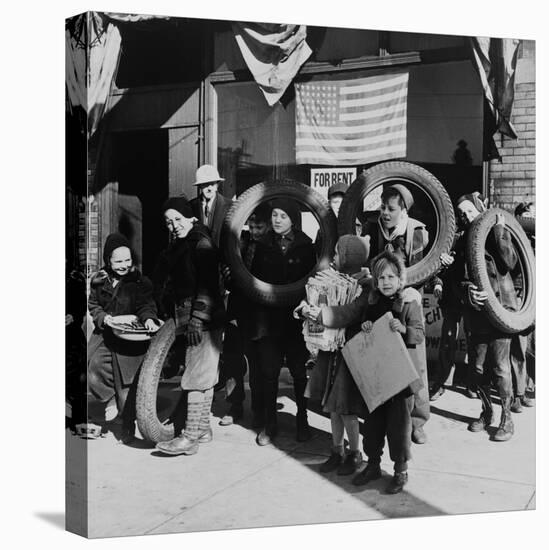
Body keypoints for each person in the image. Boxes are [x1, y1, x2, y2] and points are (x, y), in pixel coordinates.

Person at [153, 197, 226, 456]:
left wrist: (198, 317)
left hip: (203, 320)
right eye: (168, 221)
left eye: (178, 219)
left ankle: (189, 437)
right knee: (203, 375)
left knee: (196, 376)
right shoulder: (182, 245)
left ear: (191, 218)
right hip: (191, 318)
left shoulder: (200, 243)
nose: (174, 225)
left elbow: (208, 284)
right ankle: (203, 428)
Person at [296, 235, 370, 476]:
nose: (334, 258)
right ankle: (336, 450)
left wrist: (320, 315)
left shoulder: (364, 288)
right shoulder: (332, 281)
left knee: (347, 409)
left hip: (348, 355)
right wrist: (305, 309)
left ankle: (355, 453)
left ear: (350, 257)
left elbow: (348, 313)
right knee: (332, 407)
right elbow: (316, 298)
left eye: (338, 253)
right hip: (330, 353)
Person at [363, 184, 430, 445]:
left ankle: (418, 421)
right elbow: (366, 262)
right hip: (379, 297)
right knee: (382, 358)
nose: (386, 213)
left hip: (407, 299)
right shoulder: (372, 228)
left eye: (391, 209)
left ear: (403, 210)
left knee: (415, 362)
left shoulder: (415, 232)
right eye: (383, 207)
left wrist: (413, 291)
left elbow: (424, 267)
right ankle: (384, 414)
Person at [354, 251, 425, 493]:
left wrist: (404, 329)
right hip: (377, 377)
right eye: (381, 277)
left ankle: (400, 471)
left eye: (391, 277)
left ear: (400, 279)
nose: (386, 282)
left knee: (399, 426)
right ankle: (372, 464)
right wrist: (364, 327)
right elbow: (365, 334)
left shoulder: (408, 303)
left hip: (402, 379)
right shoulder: (372, 303)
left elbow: (419, 333)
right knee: (373, 425)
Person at [250, 198, 317, 445]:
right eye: (274, 216)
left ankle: (303, 421)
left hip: (296, 320)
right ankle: (270, 424)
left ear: (292, 219)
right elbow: (253, 281)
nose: (277, 220)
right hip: (269, 320)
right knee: (269, 373)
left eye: (283, 216)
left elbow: (313, 283)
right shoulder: (262, 245)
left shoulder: (305, 246)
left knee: (300, 374)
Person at [455, 193, 519, 442]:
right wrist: (466, 290)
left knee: (501, 368)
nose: (467, 216)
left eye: (470, 210)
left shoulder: (495, 234)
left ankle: (507, 418)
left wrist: (501, 231)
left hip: (500, 309)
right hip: (477, 313)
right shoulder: (462, 242)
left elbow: (511, 262)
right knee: (477, 367)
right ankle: (487, 411)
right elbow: (456, 279)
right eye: (462, 213)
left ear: (480, 208)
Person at [88, 233, 160, 444]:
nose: (123, 265)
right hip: (107, 334)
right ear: (108, 261)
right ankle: (108, 397)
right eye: (118, 261)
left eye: (127, 260)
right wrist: (104, 318)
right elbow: (94, 306)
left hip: (130, 339)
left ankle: (128, 426)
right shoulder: (99, 281)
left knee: (127, 386)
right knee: (94, 367)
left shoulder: (139, 281)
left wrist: (148, 318)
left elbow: (146, 305)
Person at [219, 203, 272, 426]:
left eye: (259, 226)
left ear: (268, 226)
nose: (255, 230)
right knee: (232, 358)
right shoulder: (241, 243)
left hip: (260, 313)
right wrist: (228, 274)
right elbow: (228, 271)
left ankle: (259, 410)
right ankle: (235, 405)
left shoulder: (271, 247)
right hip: (237, 307)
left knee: (258, 363)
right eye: (251, 225)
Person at [190, 164, 232, 247]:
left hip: (221, 257)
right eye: (205, 184)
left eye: (212, 184)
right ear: (200, 186)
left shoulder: (230, 206)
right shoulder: (191, 206)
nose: (209, 188)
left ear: (217, 185)